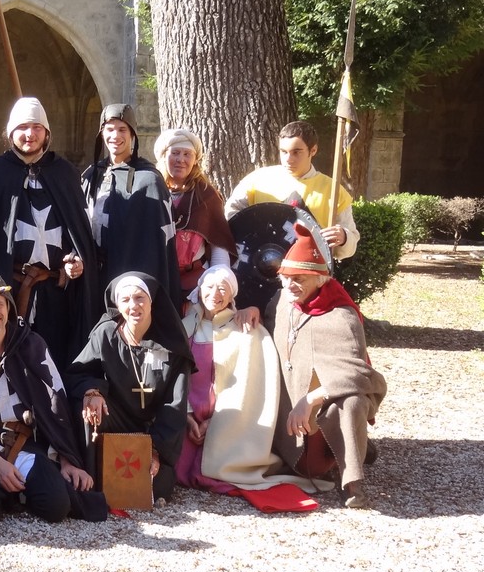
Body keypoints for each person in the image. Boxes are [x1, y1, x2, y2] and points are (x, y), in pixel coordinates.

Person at [0, 273, 104, 526]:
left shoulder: (30, 344)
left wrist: (66, 458)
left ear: (8, 306)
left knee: (56, 506)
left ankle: (16, 490)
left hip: (23, 444)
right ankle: (3, 489)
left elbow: (55, 401)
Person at [0, 96, 99, 372]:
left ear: (47, 133)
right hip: (10, 290)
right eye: (23, 127)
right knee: (12, 363)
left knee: (56, 361)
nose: (30, 134)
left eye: (37, 127)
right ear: (10, 133)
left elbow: (77, 233)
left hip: (56, 292)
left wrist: (75, 260)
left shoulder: (65, 173)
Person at [175, 266, 321, 508]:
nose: (215, 293)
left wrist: (215, 422)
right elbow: (173, 375)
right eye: (209, 287)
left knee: (212, 472)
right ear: (199, 290)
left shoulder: (245, 328)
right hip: (188, 412)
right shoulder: (184, 326)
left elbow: (248, 387)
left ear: (232, 294)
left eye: (223, 288)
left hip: (227, 418)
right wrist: (187, 415)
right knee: (177, 469)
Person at [266, 224, 386, 508]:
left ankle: (351, 480)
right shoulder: (283, 301)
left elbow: (360, 377)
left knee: (352, 402)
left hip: (324, 408)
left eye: (299, 279)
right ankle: (355, 445)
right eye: (286, 278)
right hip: (287, 405)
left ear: (320, 279)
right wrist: (250, 312)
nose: (290, 285)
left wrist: (311, 399)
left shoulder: (342, 316)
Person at [66, 273, 194, 505]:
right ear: (117, 304)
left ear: (151, 301)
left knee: (156, 487)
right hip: (116, 419)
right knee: (88, 409)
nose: (133, 305)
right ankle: (91, 480)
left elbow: (175, 404)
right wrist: (93, 392)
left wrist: (155, 450)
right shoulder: (106, 333)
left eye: (139, 298)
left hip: (153, 428)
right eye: (125, 300)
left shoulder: (172, 343)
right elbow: (81, 372)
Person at [81, 104, 180, 306]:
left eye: (122, 129)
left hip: (129, 275)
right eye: (109, 129)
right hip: (91, 277)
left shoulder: (149, 180)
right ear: (101, 133)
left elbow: (153, 245)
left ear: (132, 134)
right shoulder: (91, 175)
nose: (115, 136)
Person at [225, 120, 359, 260]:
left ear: (313, 150)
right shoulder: (255, 180)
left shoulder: (334, 191)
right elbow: (230, 218)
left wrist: (344, 237)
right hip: (258, 263)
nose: (288, 159)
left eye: (296, 152)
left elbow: (350, 244)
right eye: (284, 152)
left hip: (309, 269)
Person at [153, 127, 236, 303]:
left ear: (195, 160)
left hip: (197, 279)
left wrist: (217, 281)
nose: (181, 160)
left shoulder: (207, 195)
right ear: (163, 156)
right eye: (175, 153)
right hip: (158, 276)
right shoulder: (151, 191)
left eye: (187, 154)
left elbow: (218, 245)